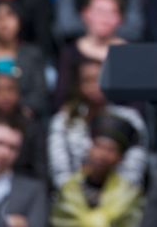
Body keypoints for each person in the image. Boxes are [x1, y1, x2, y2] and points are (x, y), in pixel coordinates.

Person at [49, 58, 148, 190]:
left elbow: (134, 166)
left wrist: (112, 199)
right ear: (79, 85)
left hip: (121, 198)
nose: (95, 85)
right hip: (73, 198)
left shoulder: (130, 118)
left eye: (100, 79)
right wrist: (76, 196)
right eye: (88, 80)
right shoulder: (64, 120)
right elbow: (60, 169)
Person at [51, 113, 144, 227]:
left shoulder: (128, 195)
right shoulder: (69, 191)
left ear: (120, 158)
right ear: (89, 148)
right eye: (98, 146)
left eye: (110, 150)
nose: (102, 155)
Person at [54, 0, 128, 107]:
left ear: (120, 19)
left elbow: (137, 103)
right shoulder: (69, 53)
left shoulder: (131, 53)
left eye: (111, 12)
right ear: (85, 14)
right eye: (99, 11)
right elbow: (61, 97)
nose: (104, 17)